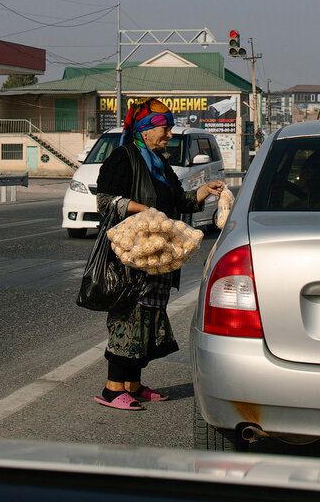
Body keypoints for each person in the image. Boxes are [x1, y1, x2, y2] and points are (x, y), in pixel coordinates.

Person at [93, 98, 225, 411]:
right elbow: (105, 201)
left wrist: (204, 191)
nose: (168, 134)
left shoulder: (158, 161)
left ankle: (133, 385)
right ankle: (113, 389)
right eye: (164, 128)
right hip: (130, 258)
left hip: (157, 258)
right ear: (145, 129)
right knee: (129, 317)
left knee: (149, 318)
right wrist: (146, 211)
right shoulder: (123, 158)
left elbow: (178, 200)